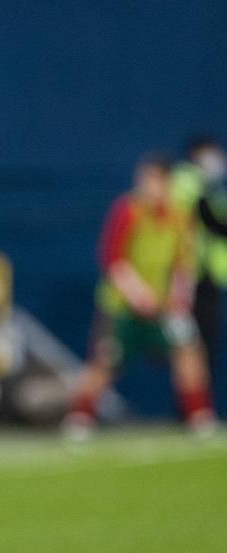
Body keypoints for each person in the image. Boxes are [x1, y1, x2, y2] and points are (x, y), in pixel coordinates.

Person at [66, 154, 216, 437]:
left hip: (165, 307)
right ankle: (79, 419)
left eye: (154, 180)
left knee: (189, 353)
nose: (148, 186)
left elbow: (184, 263)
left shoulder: (179, 215)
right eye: (144, 179)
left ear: (167, 182)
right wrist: (139, 296)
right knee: (104, 362)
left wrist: (178, 300)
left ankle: (200, 417)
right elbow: (113, 260)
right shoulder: (127, 210)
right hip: (121, 306)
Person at [171, 137, 227, 374]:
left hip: (208, 277)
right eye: (211, 153)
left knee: (205, 340)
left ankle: (199, 395)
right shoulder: (185, 181)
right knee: (186, 342)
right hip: (184, 275)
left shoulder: (215, 189)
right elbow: (207, 218)